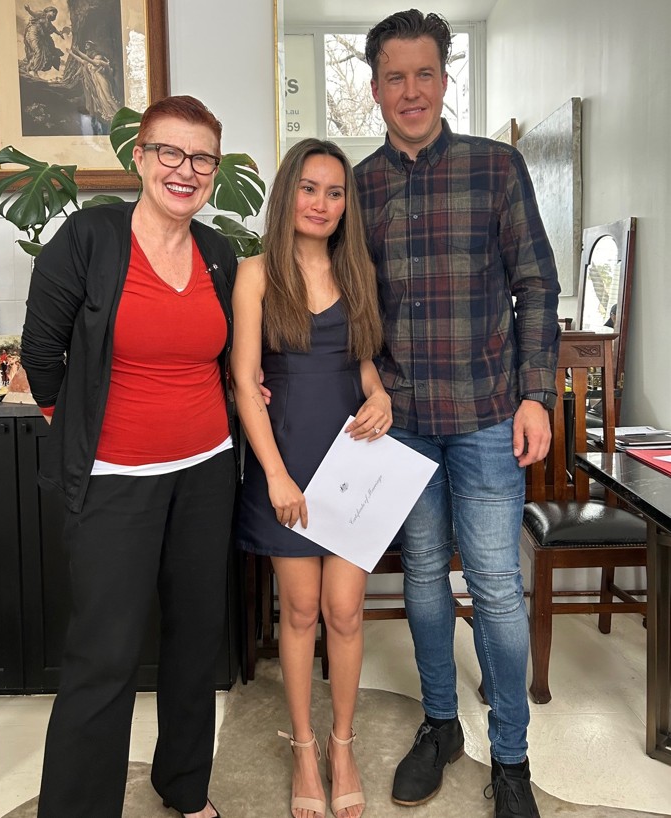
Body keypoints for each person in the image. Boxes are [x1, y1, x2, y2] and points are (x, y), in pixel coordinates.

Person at [354, 10, 561, 818]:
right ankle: (440, 724)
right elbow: (347, 306)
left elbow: (535, 285)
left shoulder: (497, 168)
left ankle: (510, 759)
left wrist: (536, 394)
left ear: (445, 80)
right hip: (401, 422)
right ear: (375, 89)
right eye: (394, 77)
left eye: (424, 74)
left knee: (497, 588)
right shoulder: (359, 187)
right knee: (424, 579)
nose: (411, 91)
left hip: (486, 414)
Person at [21, 95, 237, 818]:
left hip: (207, 471)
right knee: (104, 654)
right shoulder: (91, 237)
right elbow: (42, 352)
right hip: (114, 479)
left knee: (196, 640)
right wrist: (77, 426)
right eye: (170, 152)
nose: (186, 170)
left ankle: (184, 785)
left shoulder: (217, 253)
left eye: (201, 158)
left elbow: (224, 353)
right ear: (139, 157)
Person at [231, 138, 392, 818]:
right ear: (287, 194)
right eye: (309, 188)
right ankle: (303, 747)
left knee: (345, 612)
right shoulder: (255, 274)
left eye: (334, 192)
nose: (321, 203)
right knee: (298, 612)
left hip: (353, 460)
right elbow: (245, 382)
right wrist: (274, 475)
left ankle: (341, 745)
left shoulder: (358, 271)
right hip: (288, 461)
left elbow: (362, 361)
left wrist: (380, 394)